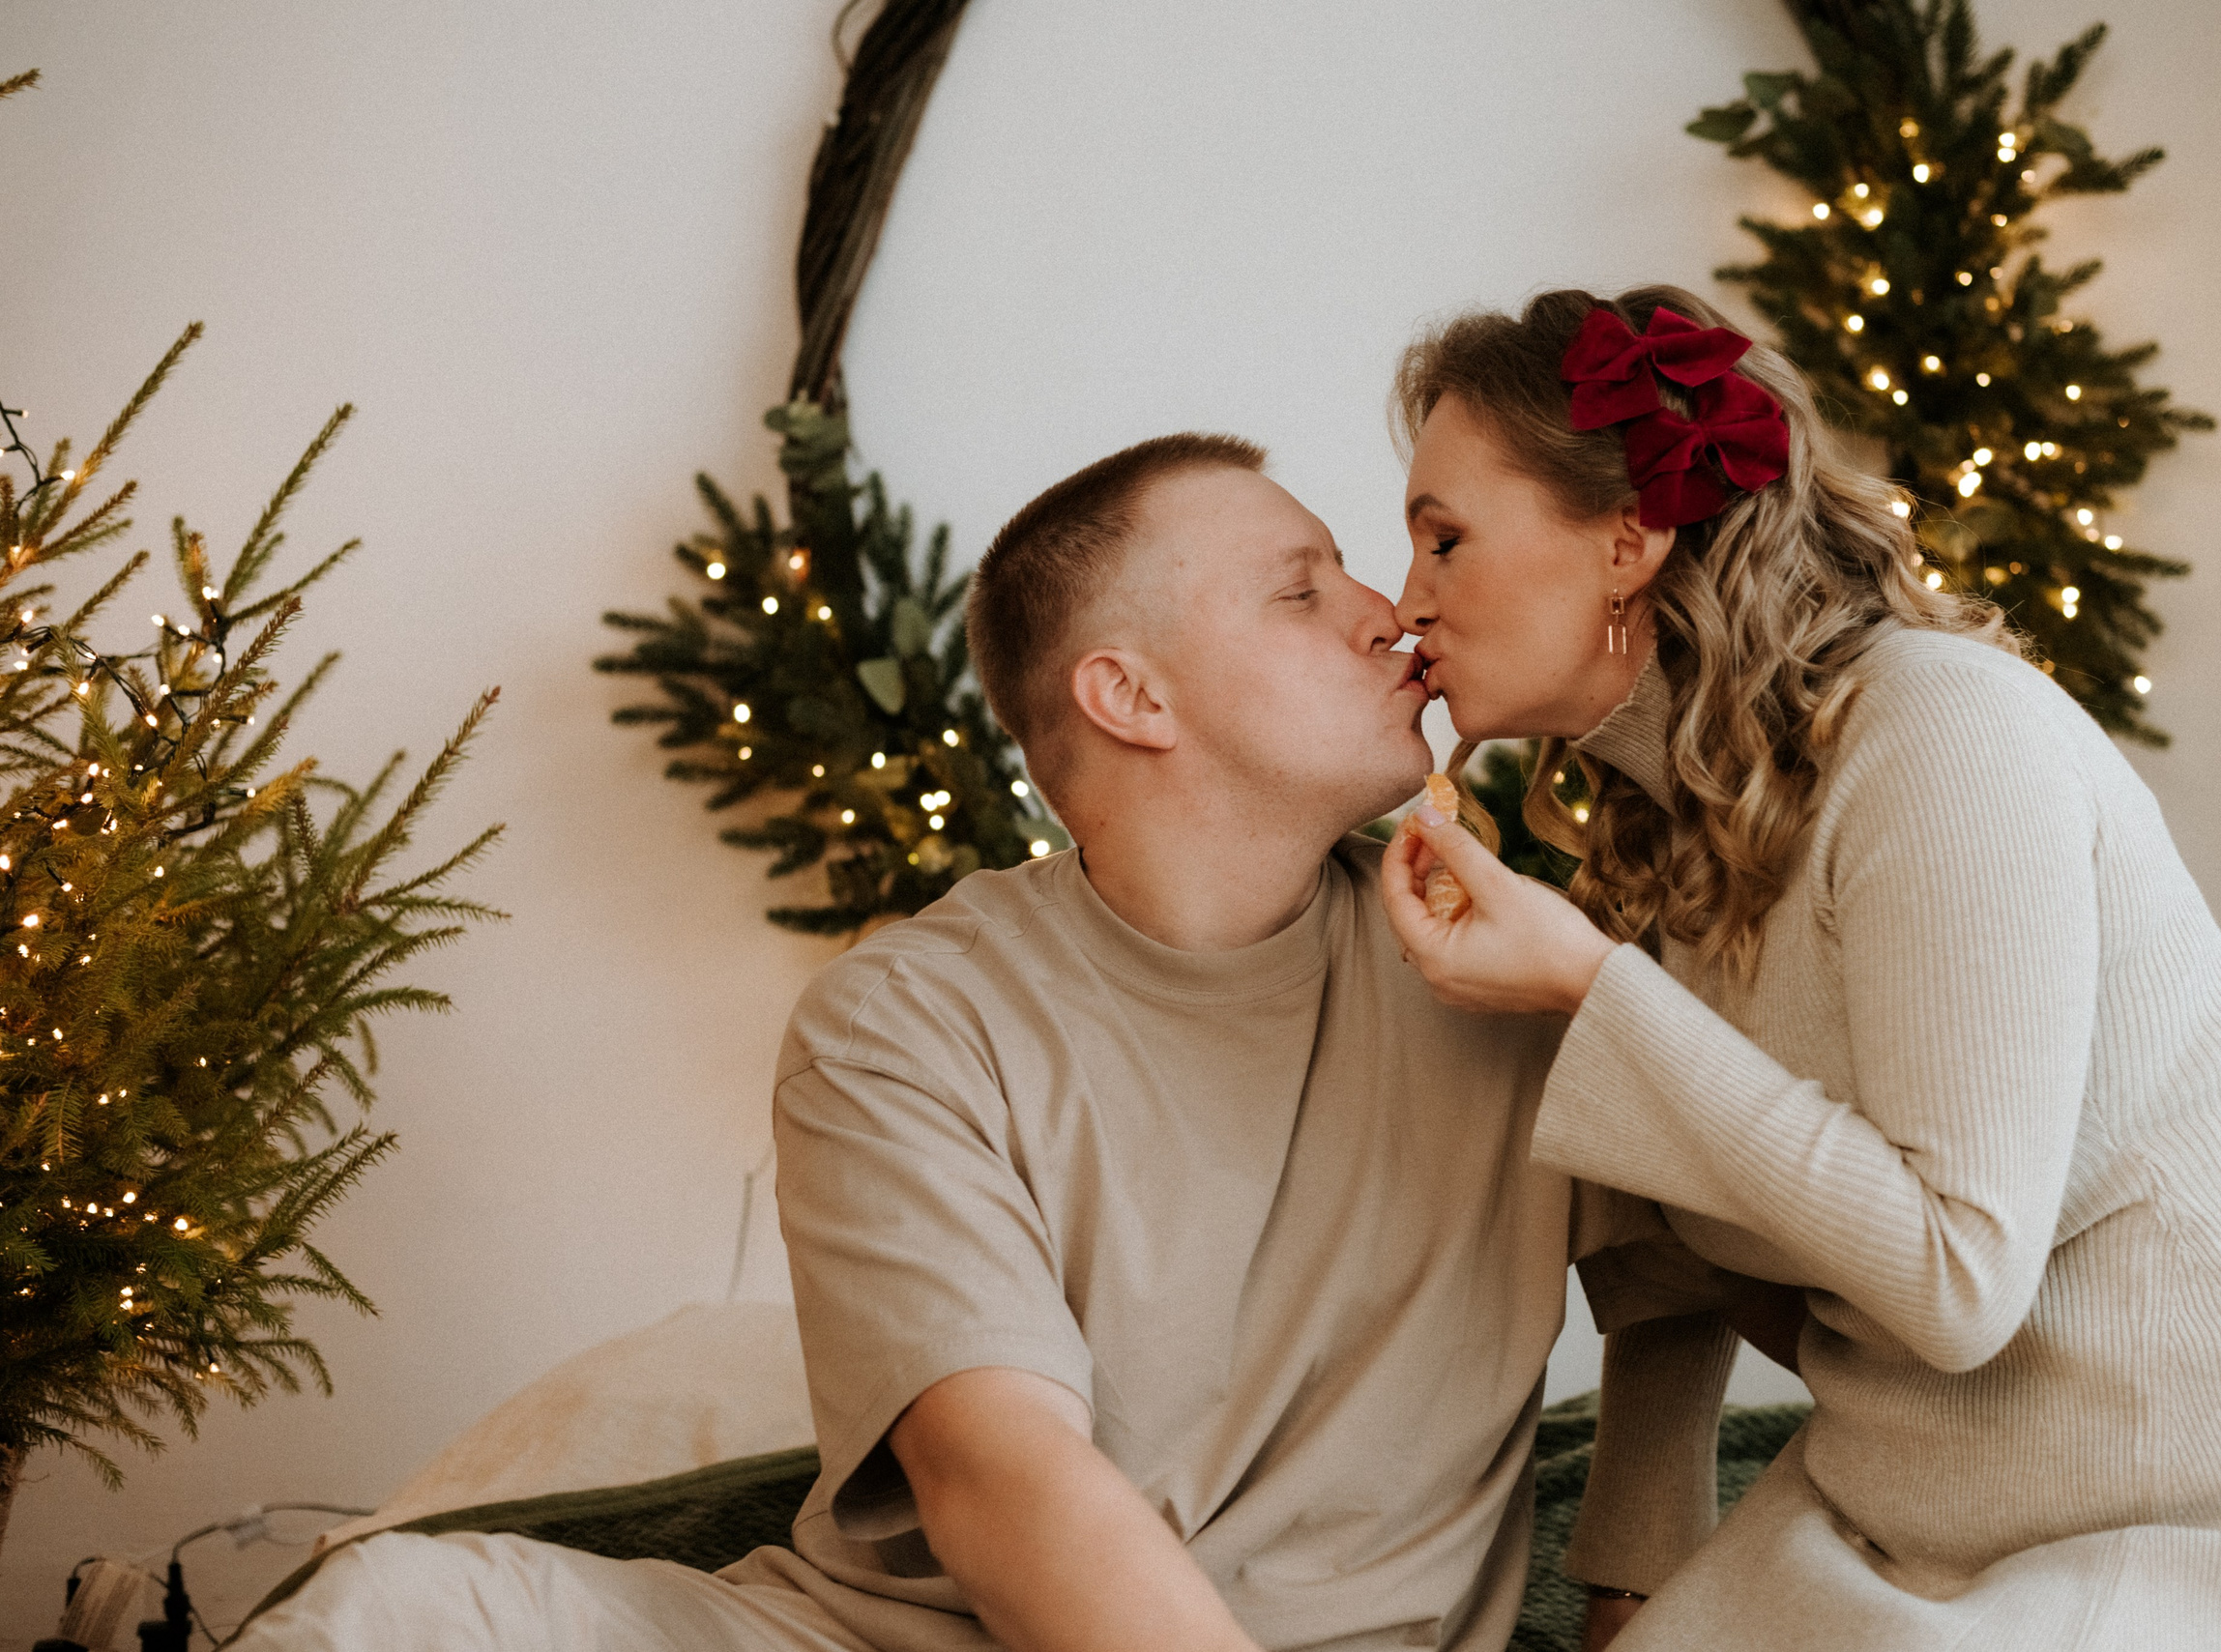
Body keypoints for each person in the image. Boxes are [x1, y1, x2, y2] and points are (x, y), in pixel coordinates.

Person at [235, 432, 1728, 1652]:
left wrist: (1628, 1593)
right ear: (1128, 693)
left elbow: (1733, 1258)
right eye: (1299, 586)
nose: (1384, 609)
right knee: (391, 1608)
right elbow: (997, 1479)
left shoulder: (1511, 960)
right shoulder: (909, 1017)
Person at [1377, 284, 2221, 1651]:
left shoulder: (1942, 738)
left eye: (1443, 538)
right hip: (1913, 1509)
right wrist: (1630, 1578)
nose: (1406, 601)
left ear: (1628, 536)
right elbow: (1670, 1251)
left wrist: (1596, 997)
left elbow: (1959, 1282)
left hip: (2211, 1517)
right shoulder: (1661, 825)